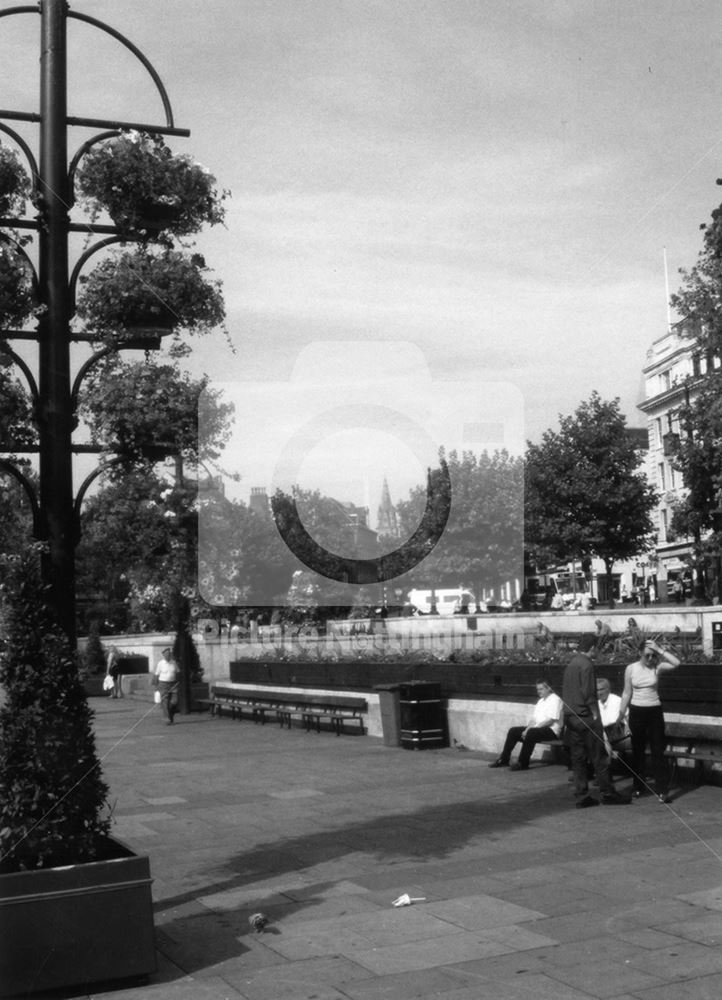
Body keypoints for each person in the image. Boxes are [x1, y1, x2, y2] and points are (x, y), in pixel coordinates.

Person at [561, 634, 629, 808]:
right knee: (599, 755)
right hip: (585, 716)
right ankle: (607, 792)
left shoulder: (572, 664)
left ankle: (581, 795)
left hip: (571, 716)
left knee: (578, 757)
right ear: (592, 648)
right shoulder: (587, 664)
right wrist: (594, 713)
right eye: (597, 648)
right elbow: (588, 693)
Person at [617, 639, 681, 802]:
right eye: (647, 655)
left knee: (658, 750)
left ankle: (662, 790)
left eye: (653, 655)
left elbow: (677, 663)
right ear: (640, 654)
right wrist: (621, 713)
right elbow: (626, 692)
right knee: (637, 751)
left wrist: (660, 650)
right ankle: (638, 787)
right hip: (637, 711)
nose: (650, 658)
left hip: (654, 711)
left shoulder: (657, 667)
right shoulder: (631, 669)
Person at [488, 679, 564, 771]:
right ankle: (504, 759)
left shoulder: (555, 699)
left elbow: (551, 720)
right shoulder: (540, 701)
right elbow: (533, 719)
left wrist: (530, 730)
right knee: (513, 731)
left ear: (549, 688)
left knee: (531, 732)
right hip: (538, 729)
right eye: (537, 689)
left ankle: (522, 763)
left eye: (541, 689)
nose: (539, 691)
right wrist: (527, 729)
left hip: (551, 730)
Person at [596, 677, 630, 764]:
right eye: (597, 690)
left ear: (608, 689)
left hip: (620, 735)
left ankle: (605, 770)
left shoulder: (617, 701)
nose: (599, 693)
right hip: (604, 736)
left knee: (601, 742)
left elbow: (627, 719)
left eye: (601, 689)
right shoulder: (596, 704)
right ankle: (607, 765)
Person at [154, 647, 178, 725]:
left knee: (174, 701)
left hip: (173, 684)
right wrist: (156, 686)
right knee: (165, 701)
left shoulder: (174, 663)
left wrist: (178, 680)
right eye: (166, 654)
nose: (168, 655)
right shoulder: (160, 663)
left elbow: (178, 672)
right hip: (163, 684)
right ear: (163, 655)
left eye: (169, 654)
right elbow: (156, 675)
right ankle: (166, 718)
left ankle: (170, 714)